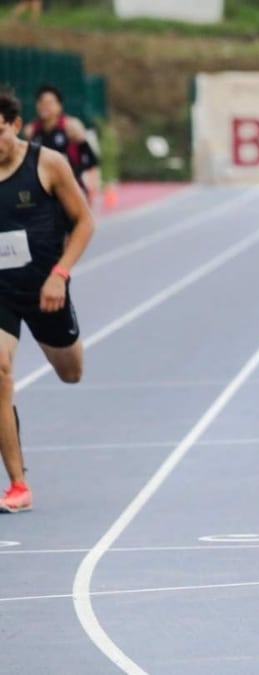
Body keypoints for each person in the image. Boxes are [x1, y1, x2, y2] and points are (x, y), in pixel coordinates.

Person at [0, 88, 95, 512]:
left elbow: (84, 222)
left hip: (46, 290)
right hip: (1, 291)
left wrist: (60, 274)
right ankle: (18, 485)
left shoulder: (47, 164)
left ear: (15, 125)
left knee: (71, 373)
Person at [23, 84, 99, 203]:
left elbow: (91, 161)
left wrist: (91, 188)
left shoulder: (71, 127)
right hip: (43, 192)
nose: (45, 106)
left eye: (50, 103)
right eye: (41, 102)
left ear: (59, 106)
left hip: (70, 189)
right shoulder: (31, 131)